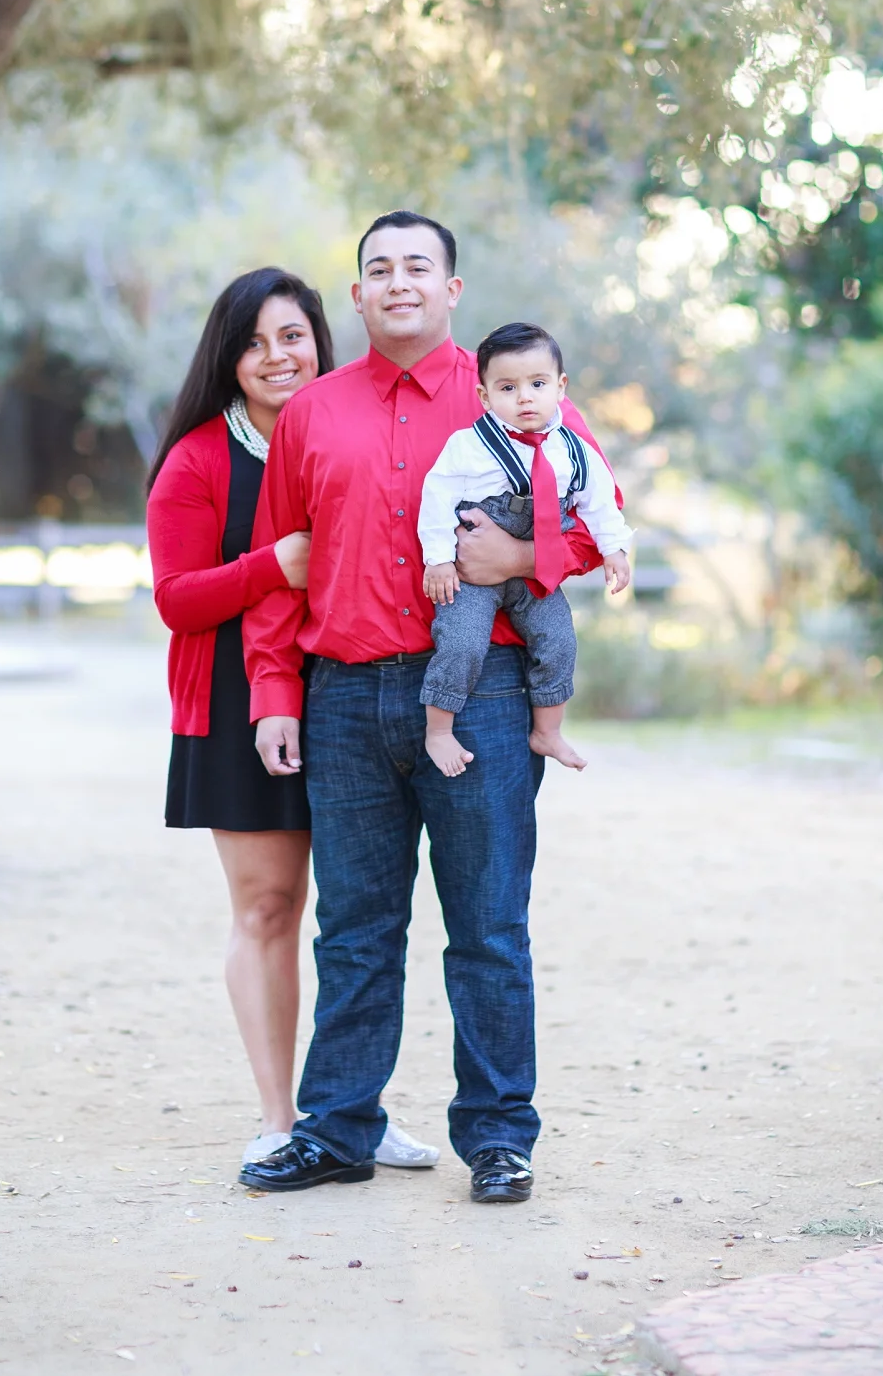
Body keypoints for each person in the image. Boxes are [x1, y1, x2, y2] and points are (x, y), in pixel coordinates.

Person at [235, 211, 620, 1203]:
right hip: (344, 698)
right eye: (379, 268)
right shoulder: (312, 413)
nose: (397, 281)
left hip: (484, 697)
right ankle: (337, 1128)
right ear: (357, 295)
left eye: (418, 266)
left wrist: (525, 555)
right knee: (354, 929)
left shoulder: (516, 392)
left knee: (488, 925)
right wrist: (275, 692)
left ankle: (498, 1139)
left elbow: (600, 519)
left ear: (452, 289)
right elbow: (280, 566)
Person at [145, 267, 440, 1170]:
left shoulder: (361, 426)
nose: (277, 356)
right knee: (271, 907)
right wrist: (274, 563)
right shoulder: (198, 460)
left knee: (362, 916)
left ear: (320, 339)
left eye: (292, 336)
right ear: (228, 359)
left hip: (356, 692)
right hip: (238, 704)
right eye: (254, 343)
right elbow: (176, 598)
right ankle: (282, 1117)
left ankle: (353, 1108)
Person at [417, 320, 633, 779]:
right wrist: (438, 558)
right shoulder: (469, 446)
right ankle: (439, 730)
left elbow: (599, 505)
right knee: (461, 641)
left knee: (559, 638)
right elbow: (435, 497)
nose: (524, 398)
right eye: (508, 388)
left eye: (537, 384)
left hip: (534, 571)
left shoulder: (575, 452)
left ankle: (548, 730)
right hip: (472, 573)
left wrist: (615, 549)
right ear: (485, 396)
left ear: (561, 387)